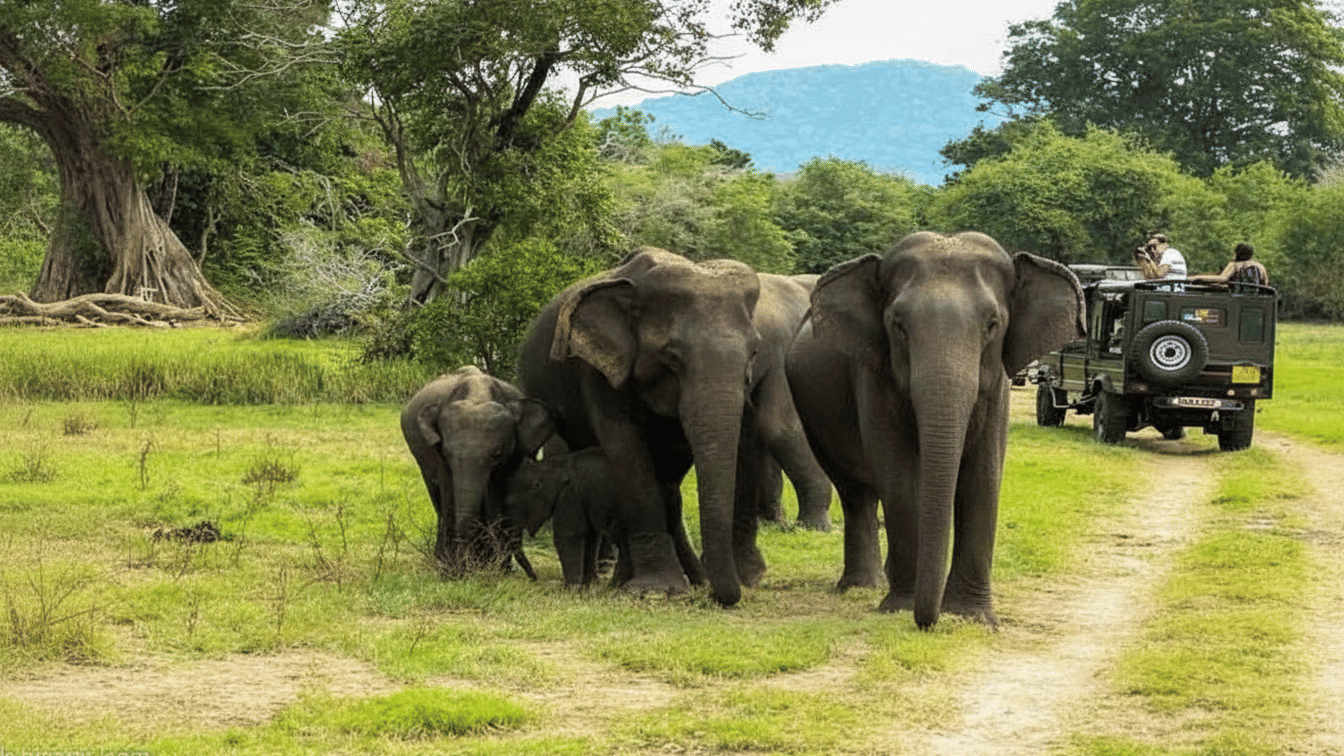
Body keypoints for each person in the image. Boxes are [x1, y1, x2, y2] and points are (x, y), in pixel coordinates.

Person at [1190, 242, 1269, 287]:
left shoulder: (1236, 265)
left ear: (1237, 254)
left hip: (1237, 297)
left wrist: (1196, 278)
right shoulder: (1260, 266)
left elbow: (1222, 278)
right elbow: (1265, 283)